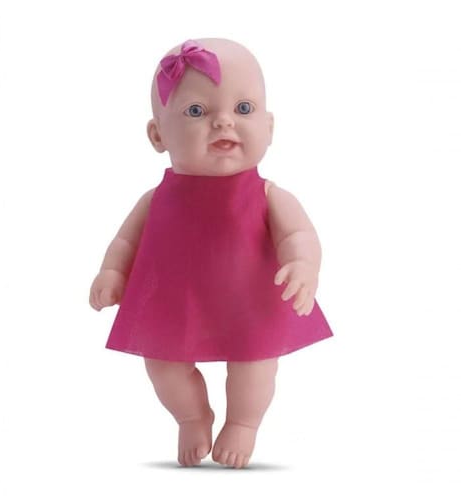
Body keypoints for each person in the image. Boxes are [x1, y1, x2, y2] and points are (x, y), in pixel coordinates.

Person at [89, 38, 333, 468]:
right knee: (163, 365)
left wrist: (302, 265)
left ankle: (243, 423)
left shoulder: (267, 195)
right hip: (175, 302)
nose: (223, 122)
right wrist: (112, 272)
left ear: (269, 126)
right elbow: (126, 241)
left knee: (254, 367)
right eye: (197, 111)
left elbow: (298, 233)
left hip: (250, 299)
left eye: (243, 108)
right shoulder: (156, 199)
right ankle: (191, 416)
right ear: (158, 135)